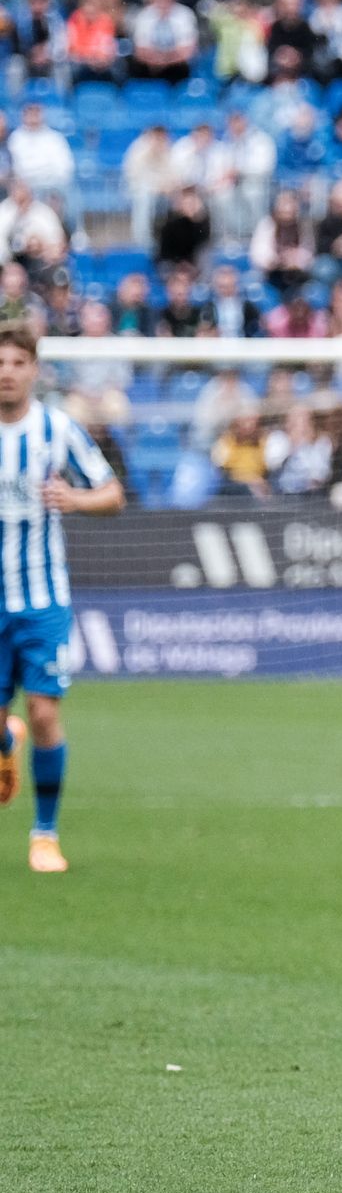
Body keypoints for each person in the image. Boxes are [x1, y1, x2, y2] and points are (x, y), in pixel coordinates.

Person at [0, 329, 124, 873]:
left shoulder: (56, 428)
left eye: (17, 361)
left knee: (46, 712)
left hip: (43, 597)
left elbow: (112, 494)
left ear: (34, 370)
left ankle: (44, 834)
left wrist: (74, 498)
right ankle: (8, 740)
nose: (6, 370)